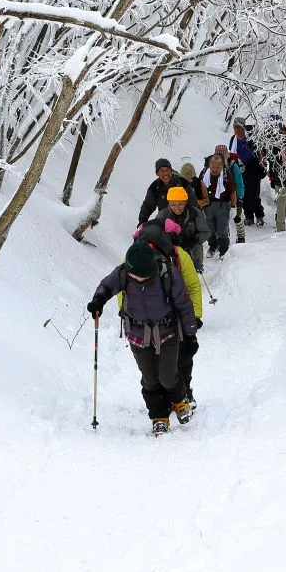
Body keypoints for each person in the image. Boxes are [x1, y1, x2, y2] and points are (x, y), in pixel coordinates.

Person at [87, 242, 198, 436]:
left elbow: (184, 304)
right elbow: (106, 286)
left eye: (144, 276)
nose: (139, 279)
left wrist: (190, 335)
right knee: (150, 378)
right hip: (137, 333)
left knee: (167, 374)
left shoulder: (167, 273)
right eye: (135, 276)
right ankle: (159, 417)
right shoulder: (123, 272)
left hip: (167, 330)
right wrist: (98, 301)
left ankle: (180, 401)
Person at [133, 219, 203, 408]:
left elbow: (192, 287)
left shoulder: (178, 255)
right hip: (148, 322)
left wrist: (195, 316)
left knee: (182, 359)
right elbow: (125, 285)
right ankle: (163, 401)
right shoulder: (137, 256)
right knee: (152, 365)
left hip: (177, 318)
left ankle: (184, 394)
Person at [156, 186, 211, 272]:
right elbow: (157, 233)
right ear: (169, 203)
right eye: (173, 204)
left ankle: (197, 269)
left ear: (185, 202)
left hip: (192, 251)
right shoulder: (163, 215)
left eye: (180, 204)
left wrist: (194, 239)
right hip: (172, 251)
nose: (177, 208)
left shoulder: (196, 213)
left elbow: (206, 232)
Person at [227, 117, 265, 226]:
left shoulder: (252, 138)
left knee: (253, 192)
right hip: (240, 167)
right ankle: (248, 216)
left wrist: (262, 167)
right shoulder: (233, 140)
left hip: (253, 166)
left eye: (240, 127)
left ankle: (259, 215)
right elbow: (232, 153)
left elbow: (260, 152)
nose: (239, 130)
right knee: (243, 193)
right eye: (236, 127)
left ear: (244, 127)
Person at [138, 158, 197, 225]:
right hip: (165, 221)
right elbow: (148, 205)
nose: (165, 173)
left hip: (184, 221)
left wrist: (195, 219)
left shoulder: (182, 182)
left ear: (171, 171)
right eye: (162, 171)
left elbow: (193, 202)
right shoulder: (154, 187)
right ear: (157, 173)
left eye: (167, 170)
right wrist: (142, 221)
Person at [201, 152, 238, 257]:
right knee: (209, 229)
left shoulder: (227, 176)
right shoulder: (204, 175)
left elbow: (232, 192)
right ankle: (213, 245)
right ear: (209, 165)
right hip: (207, 206)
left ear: (222, 166)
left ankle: (224, 250)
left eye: (218, 166)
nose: (215, 169)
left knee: (222, 229)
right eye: (213, 166)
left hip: (223, 205)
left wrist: (234, 206)